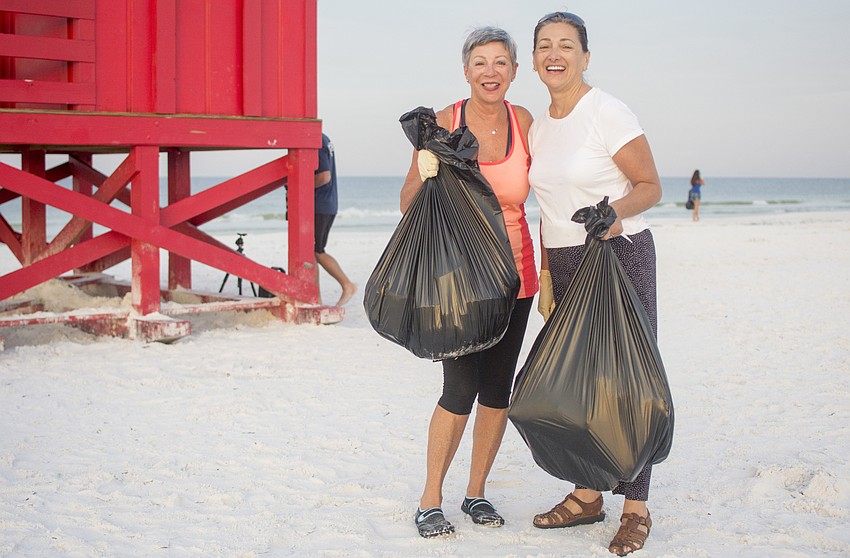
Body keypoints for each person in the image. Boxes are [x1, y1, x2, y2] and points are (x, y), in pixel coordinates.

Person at [527, 12, 663, 556]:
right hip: (564, 258)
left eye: (566, 45)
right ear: (535, 59)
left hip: (617, 253)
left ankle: (636, 506)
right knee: (577, 380)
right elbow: (547, 207)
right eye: (544, 45)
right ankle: (586, 495)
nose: (554, 53)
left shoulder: (607, 110)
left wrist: (613, 214)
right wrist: (544, 272)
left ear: (585, 56)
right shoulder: (541, 124)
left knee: (626, 379)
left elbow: (650, 185)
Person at [399, 27, 538, 539]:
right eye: (481, 62)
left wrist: (546, 267)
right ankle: (430, 498)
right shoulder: (443, 121)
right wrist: (427, 167)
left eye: (501, 62)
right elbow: (407, 201)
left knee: (497, 390)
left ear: (514, 72)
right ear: (466, 71)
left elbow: (544, 195)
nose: (491, 72)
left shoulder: (523, 122)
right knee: (458, 387)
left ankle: (477, 491)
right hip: (458, 281)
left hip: (516, 277)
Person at [313, 133, 357, 306]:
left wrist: (298, 184)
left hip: (320, 204)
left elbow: (324, 176)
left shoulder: (316, 140)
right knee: (315, 251)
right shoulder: (324, 138)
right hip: (327, 203)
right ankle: (317, 298)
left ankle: (346, 285)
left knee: (316, 252)